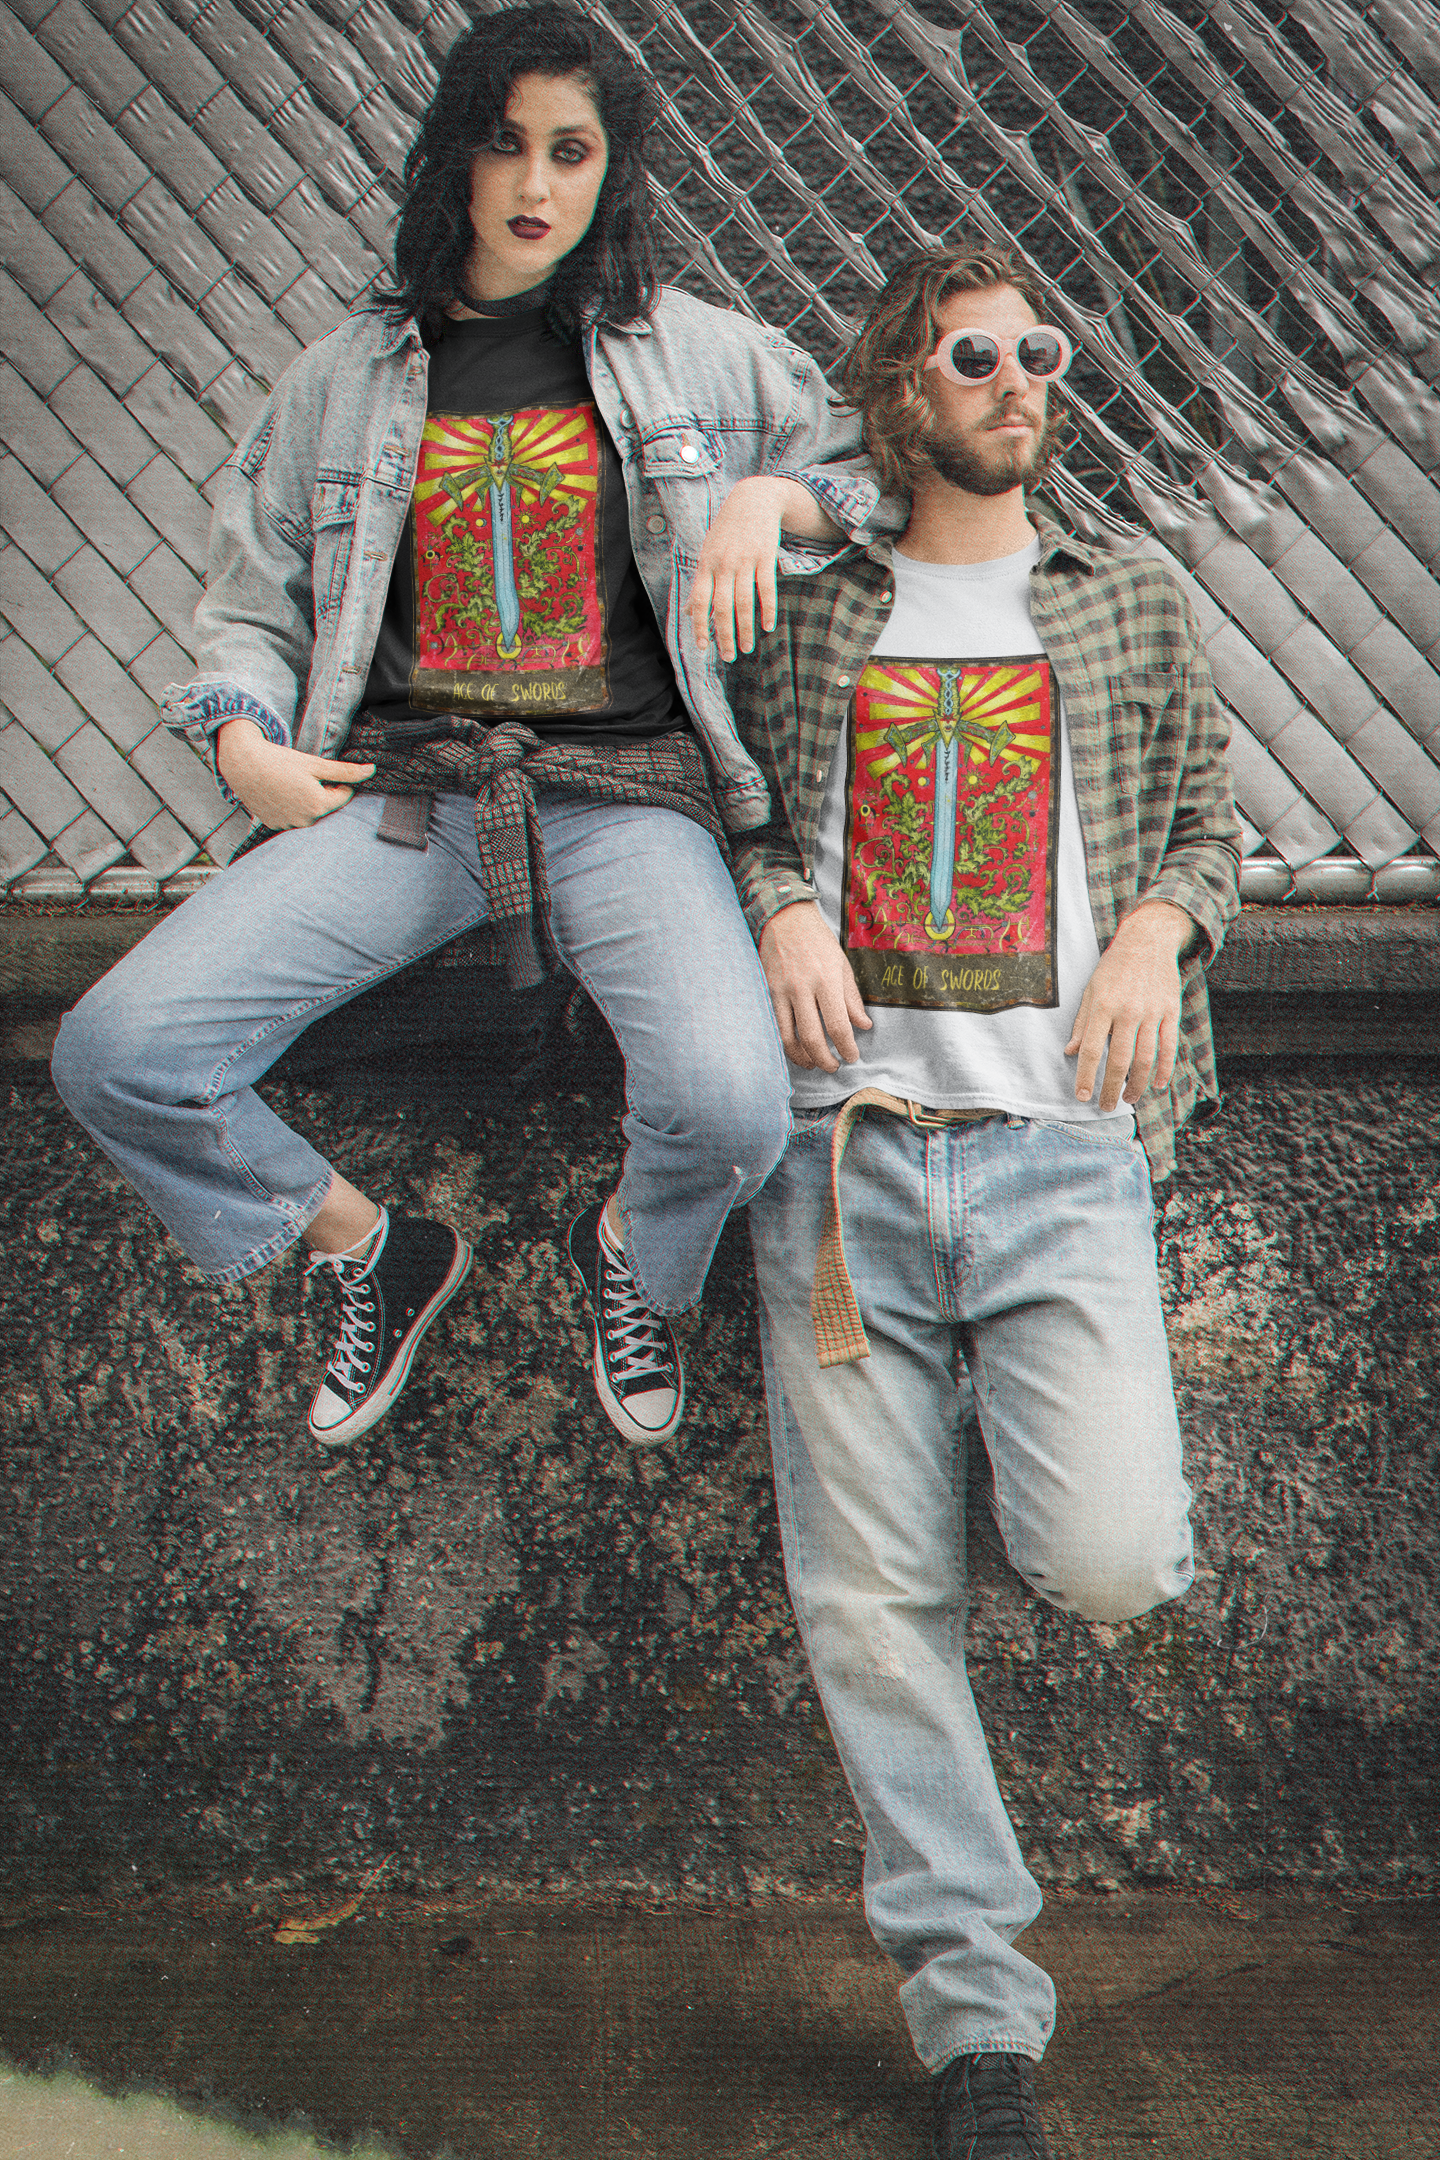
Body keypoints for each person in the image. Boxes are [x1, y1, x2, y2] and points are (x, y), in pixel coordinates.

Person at [50, 5, 887, 1454]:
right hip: (410, 800)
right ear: (458, 154)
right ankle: (375, 1248)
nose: (538, 184)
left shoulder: (700, 356)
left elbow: (884, 476)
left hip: (633, 796)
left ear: (611, 168)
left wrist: (773, 499)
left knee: (736, 1108)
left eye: (573, 150)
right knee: (118, 1049)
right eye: (507, 143)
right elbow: (248, 602)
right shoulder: (343, 381)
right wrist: (243, 738)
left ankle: (627, 1250)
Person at [727, 247, 1241, 2157]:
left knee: (1109, 1558)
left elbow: (1209, 813)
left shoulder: (1122, 600)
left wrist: (1157, 937)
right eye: (981, 352)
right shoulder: (803, 618)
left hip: (1060, 1159)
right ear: (898, 388)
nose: (1023, 376)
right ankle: (978, 2031)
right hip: (845, 1160)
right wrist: (778, 895)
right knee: (872, 1605)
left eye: (1047, 347)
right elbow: (722, 796)